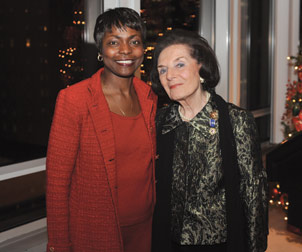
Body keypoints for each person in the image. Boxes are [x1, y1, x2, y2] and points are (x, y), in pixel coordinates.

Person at [46, 7, 157, 252]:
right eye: (114, 42)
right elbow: (57, 184)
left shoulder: (149, 96)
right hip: (96, 233)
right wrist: (59, 245)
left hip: (146, 231)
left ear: (143, 49)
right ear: (100, 50)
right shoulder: (73, 100)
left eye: (134, 41)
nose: (125, 51)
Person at [150, 29, 268, 252]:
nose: (170, 75)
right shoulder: (161, 122)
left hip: (220, 245)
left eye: (180, 64)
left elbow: (253, 195)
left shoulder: (236, 121)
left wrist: (255, 247)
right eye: (162, 70)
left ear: (201, 67)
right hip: (169, 242)